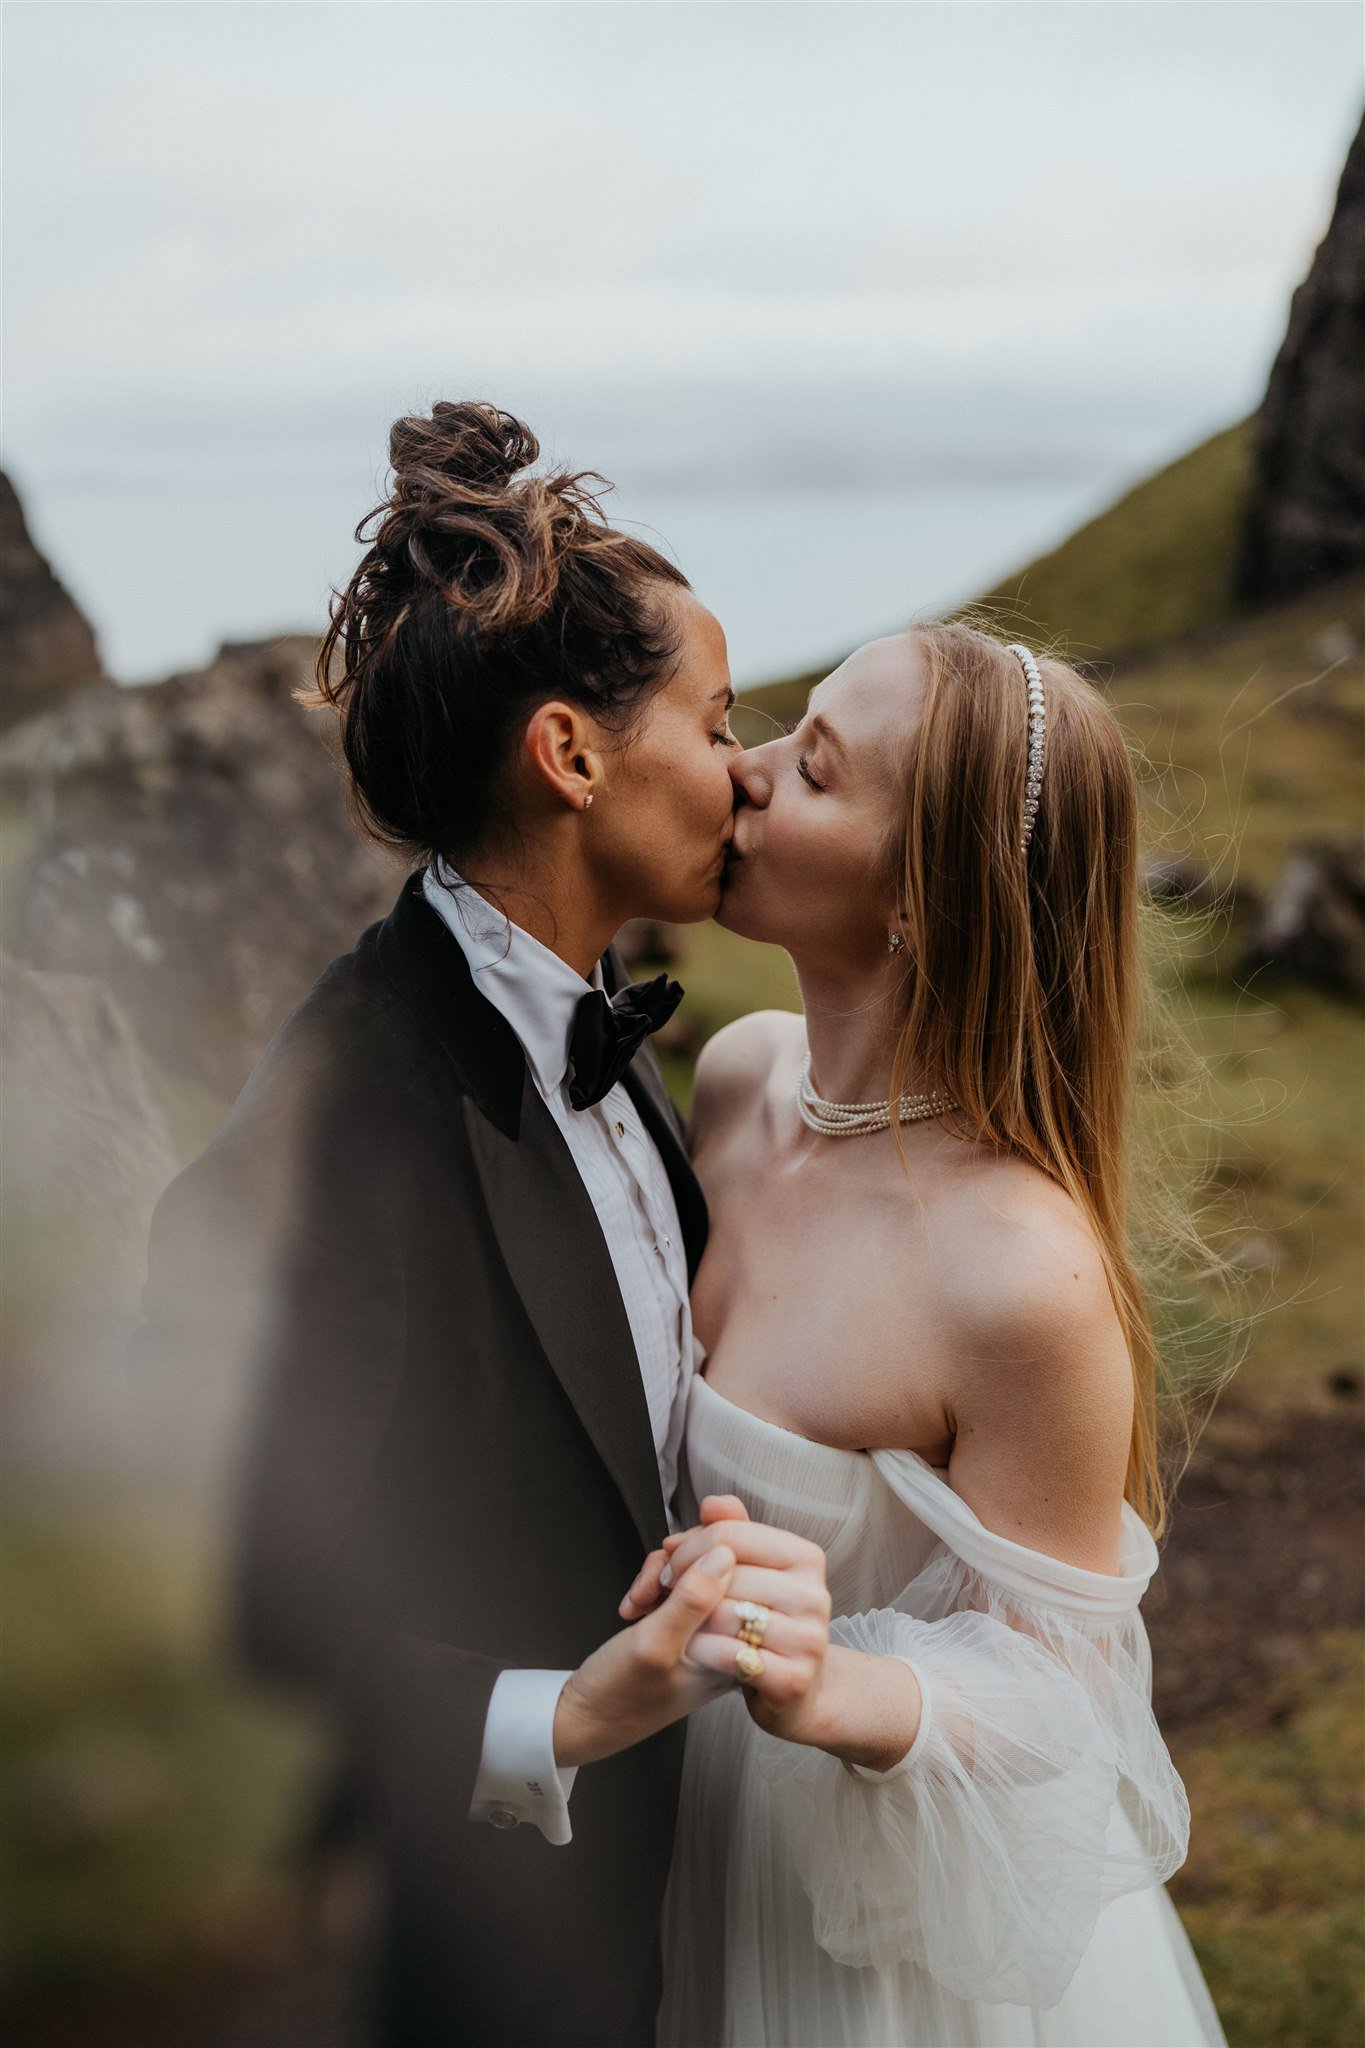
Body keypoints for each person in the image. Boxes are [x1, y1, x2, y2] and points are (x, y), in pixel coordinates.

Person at [129, 402, 756, 2047]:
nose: (745, 768)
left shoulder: (607, 1023)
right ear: (571, 754)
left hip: (692, 1916)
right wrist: (551, 1720)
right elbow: (243, 1587)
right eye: (717, 719)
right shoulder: (341, 1117)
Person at [621, 623, 1228, 2045]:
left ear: (919, 905)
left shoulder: (1016, 1272)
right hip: (651, 1809)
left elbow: (1060, 1694)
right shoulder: (735, 1078)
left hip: (854, 1927)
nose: (740, 774)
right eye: (779, 731)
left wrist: (834, 1688)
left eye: (811, 773)